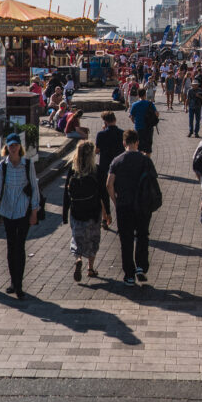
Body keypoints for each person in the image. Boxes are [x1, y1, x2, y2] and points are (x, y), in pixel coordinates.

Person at [107, 129, 160, 286]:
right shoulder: (145, 160)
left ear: (124, 143)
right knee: (142, 235)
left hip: (124, 205)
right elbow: (153, 181)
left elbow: (109, 184)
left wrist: (115, 201)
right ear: (137, 142)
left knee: (126, 239)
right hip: (142, 205)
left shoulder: (117, 161)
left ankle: (129, 274)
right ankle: (141, 266)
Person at [0, 132, 39, 298]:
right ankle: (13, 281)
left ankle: (19, 284)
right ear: (7, 147)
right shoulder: (2, 166)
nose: (13, 148)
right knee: (11, 247)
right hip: (7, 210)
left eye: (16, 145)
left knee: (20, 246)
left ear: (20, 147)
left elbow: (34, 188)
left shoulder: (27, 164)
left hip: (23, 209)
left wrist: (34, 212)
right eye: (11, 145)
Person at [62, 140, 104, 281]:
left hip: (76, 211)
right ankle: (90, 268)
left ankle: (78, 258)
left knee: (77, 237)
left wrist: (64, 214)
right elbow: (103, 193)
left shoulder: (73, 170)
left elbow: (66, 194)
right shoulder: (96, 170)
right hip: (93, 211)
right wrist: (107, 213)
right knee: (93, 239)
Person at [95, 111, 123, 229]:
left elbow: (97, 150)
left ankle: (105, 217)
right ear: (115, 120)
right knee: (119, 193)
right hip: (119, 168)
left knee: (103, 194)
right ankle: (121, 215)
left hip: (104, 167)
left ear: (105, 122)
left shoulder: (101, 134)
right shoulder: (122, 133)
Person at [129, 87, 159, 154]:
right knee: (148, 148)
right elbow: (157, 114)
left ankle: (140, 159)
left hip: (139, 128)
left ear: (138, 95)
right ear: (145, 94)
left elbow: (131, 116)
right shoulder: (150, 104)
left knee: (139, 147)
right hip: (149, 127)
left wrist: (134, 122)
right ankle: (147, 159)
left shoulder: (134, 105)